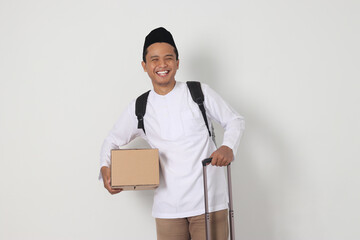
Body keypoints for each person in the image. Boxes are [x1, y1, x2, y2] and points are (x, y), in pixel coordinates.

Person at [99, 27, 245, 240]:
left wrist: (228, 146)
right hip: (167, 209)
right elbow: (112, 140)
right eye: (154, 59)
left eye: (168, 58)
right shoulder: (140, 106)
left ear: (177, 62)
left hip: (209, 202)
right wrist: (105, 168)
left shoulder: (198, 92)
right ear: (145, 66)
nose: (162, 65)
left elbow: (235, 120)